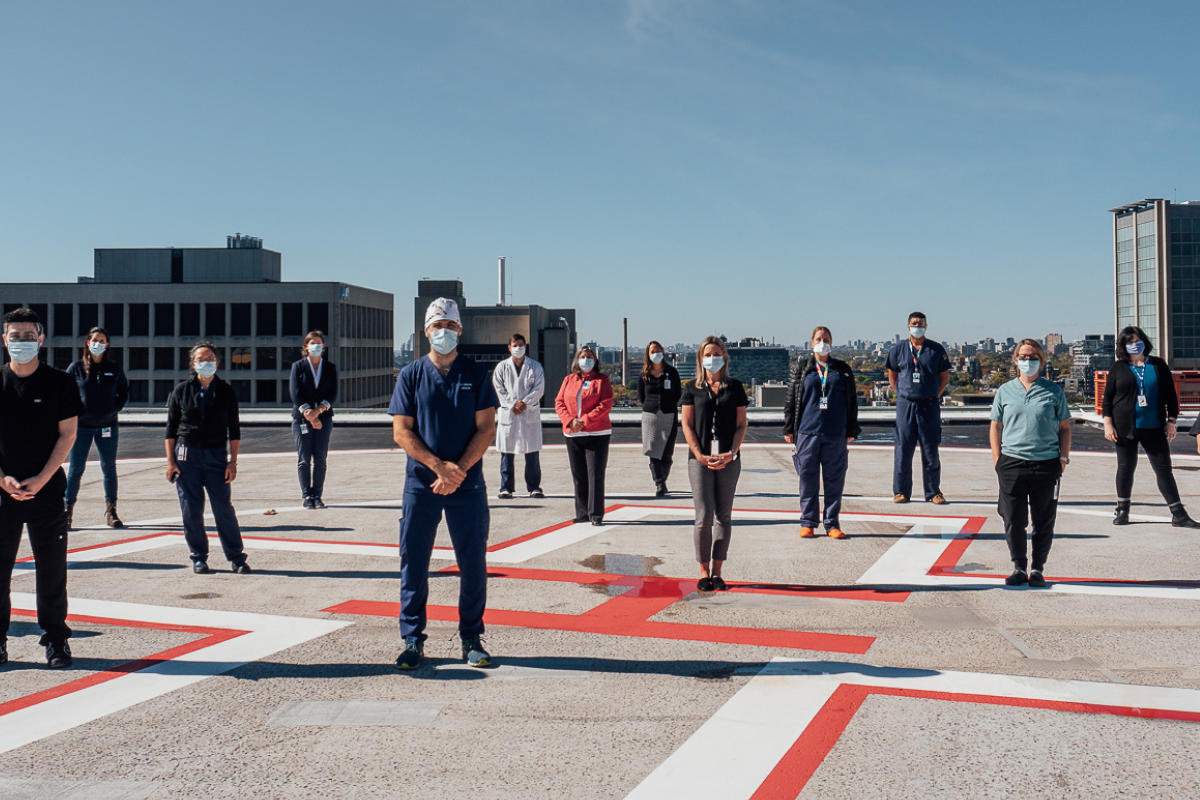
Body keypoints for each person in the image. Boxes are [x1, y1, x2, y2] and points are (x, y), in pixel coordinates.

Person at [391, 298, 498, 671]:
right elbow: (401, 431)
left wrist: (459, 470)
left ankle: (471, 636)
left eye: (450, 327)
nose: (444, 333)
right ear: (426, 332)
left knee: (472, 564)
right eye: (437, 327)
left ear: (460, 331)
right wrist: (438, 467)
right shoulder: (411, 375)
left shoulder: (476, 373)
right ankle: (412, 639)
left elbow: (487, 427)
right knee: (414, 563)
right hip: (421, 486)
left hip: (466, 486)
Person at [0, 308, 84, 669]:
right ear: (4, 339)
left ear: (41, 339)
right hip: (3, 493)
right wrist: (2, 479)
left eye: (27, 335)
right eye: (14, 336)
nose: (21, 342)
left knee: (51, 569)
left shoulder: (59, 383)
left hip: (47, 491)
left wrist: (44, 478)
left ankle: (56, 640)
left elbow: (68, 435)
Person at [989, 340, 1071, 588]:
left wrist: (1063, 459)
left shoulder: (1053, 391)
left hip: (1045, 464)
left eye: (1033, 356)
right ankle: (1018, 567)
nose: (1028, 360)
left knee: (1043, 519)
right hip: (1011, 464)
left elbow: (1065, 427)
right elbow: (995, 426)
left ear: (1042, 360)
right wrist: (997, 460)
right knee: (1013, 518)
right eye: (1023, 356)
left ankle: (1037, 569)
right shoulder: (1005, 391)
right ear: (1015, 360)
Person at [165, 342, 250, 575]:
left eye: (210, 358)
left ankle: (236, 557)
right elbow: (171, 429)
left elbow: (234, 429)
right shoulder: (181, 390)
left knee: (223, 507)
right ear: (193, 364)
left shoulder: (226, 391)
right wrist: (171, 462)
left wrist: (233, 462)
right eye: (201, 359)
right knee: (191, 509)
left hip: (216, 456)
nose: (206, 363)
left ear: (217, 362)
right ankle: (199, 557)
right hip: (186, 455)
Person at [1104, 327, 1199, 527]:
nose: (1134, 345)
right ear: (1123, 346)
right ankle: (1123, 510)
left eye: (1138, 340)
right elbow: (1108, 399)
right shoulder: (1118, 367)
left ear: (1145, 342)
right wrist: (1108, 423)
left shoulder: (1158, 365)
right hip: (1124, 427)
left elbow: (1171, 396)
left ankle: (1179, 514)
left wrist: (1172, 421)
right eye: (1130, 342)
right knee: (1125, 467)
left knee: (1163, 469)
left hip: (1154, 426)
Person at [680, 336, 747, 591]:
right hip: (700, 459)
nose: (712, 358)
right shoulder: (690, 388)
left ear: (725, 357)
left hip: (729, 459)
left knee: (723, 516)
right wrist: (698, 453)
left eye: (716, 353)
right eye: (707, 354)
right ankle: (703, 571)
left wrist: (732, 452)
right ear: (700, 358)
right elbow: (686, 424)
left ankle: (718, 572)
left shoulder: (736, 387)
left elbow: (742, 424)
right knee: (704, 516)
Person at [783, 327, 860, 539]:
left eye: (826, 339)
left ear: (832, 342)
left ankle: (832, 523)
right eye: (818, 339)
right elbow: (791, 400)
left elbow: (852, 402)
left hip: (835, 432)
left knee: (834, 480)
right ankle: (808, 522)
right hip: (807, 431)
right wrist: (789, 428)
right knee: (807, 479)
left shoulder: (842, 370)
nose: (822, 342)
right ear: (811, 342)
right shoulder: (801, 369)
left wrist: (852, 429)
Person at [64, 327, 129, 530]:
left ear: (107, 344)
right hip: (81, 427)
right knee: (75, 470)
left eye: (102, 340)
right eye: (94, 340)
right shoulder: (76, 368)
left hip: (108, 426)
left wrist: (113, 409)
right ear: (87, 342)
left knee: (109, 469)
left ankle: (111, 512)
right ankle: (67, 513)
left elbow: (124, 392)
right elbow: (65, 395)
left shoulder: (114, 368)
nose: (98, 343)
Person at [886, 312, 951, 504]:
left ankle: (933, 492)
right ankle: (901, 492)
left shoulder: (936, 349)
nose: (918, 326)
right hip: (906, 404)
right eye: (915, 323)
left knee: (930, 449)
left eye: (921, 323)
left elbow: (944, 378)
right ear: (908, 326)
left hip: (929, 404)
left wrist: (932, 396)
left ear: (926, 326)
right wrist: (903, 393)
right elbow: (892, 377)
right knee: (903, 448)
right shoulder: (897, 349)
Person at [555, 345, 613, 525]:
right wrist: (571, 421)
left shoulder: (602, 380)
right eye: (583, 356)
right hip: (573, 434)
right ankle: (582, 513)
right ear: (577, 360)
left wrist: (584, 421)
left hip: (597, 433)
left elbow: (606, 403)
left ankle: (596, 514)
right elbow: (559, 402)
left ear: (595, 361)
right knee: (579, 475)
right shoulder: (568, 380)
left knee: (595, 474)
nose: (586, 360)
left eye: (589, 357)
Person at [492, 333, 544, 499]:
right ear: (509, 347)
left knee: (532, 452)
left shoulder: (535, 366)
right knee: (507, 452)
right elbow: (499, 389)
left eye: (521, 345)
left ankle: (534, 487)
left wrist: (524, 403)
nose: (518, 348)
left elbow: (539, 389)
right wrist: (512, 404)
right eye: (515, 345)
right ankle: (506, 487)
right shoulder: (502, 367)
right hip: (510, 413)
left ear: (525, 347)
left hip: (529, 413)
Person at [289, 330, 338, 509]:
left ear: (323, 346)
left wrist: (318, 412)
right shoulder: (298, 367)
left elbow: (333, 393)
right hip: (301, 419)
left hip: (324, 418)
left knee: (320, 459)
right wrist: (309, 414)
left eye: (319, 343)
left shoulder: (330, 368)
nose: (316, 346)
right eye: (312, 342)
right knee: (303, 459)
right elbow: (295, 393)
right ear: (306, 346)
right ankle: (306, 496)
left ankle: (317, 495)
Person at [638, 341, 682, 497]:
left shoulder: (672, 372)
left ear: (663, 352)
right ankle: (659, 483)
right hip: (650, 415)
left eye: (658, 350)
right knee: (652, 450)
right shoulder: (644, 374)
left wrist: (667, 404)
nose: (656, 353)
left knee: (667, 451)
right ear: (648, 355)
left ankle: (663, 477)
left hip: (669, 413)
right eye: (652, 351)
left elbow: (678, 394)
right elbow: (641, 397)